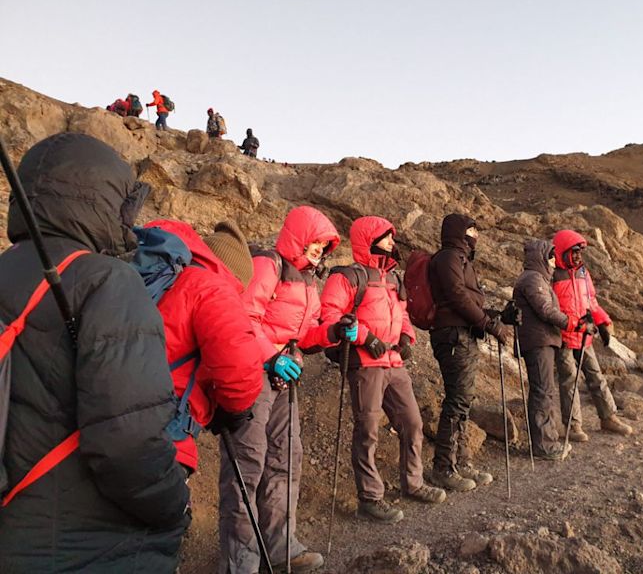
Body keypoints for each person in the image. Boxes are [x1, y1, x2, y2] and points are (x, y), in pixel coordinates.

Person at [0, 133, 189, 571]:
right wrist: (173, 501)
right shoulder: (107, 281)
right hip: (84, 543)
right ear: (100, 202)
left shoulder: (6, 268)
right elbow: (128, 442)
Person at [218, 206, 345, 573]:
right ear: (298, 235)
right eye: (316, 240)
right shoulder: (267, 264)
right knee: (247, 464)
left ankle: (279, 544)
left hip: (284, 375)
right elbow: (244, 317)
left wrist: (332, 333)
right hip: (253, 374)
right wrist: (270, 357)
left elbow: (303, 337)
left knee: (286, 458)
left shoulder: (307, 281)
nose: (320, 248)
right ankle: (240, 561)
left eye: (325, 244)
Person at [320, 216, 446, 525]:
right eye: (386, 237)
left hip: (394, 363)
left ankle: (413, 483)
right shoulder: (348, 277)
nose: (392, 242)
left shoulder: (393, 279)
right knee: (368, 431)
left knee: (413, 423)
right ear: (369, 239)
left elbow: (401, 313)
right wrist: (366, 338)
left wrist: (407, 337)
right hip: (365, 364)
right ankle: (370, 499)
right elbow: (330, 315)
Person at [140, 218, 265, 475]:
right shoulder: (213, 289)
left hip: (106, 409)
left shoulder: (167, 275)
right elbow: (239, 365)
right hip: (162, 429)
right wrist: (235, 411)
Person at [428, 213, 512, 492]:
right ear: (459, 232)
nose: (476, 235)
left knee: (463, 400)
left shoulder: (459, 259)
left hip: (461, 334)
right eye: (472, 229)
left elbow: (466, 300)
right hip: (452, 336)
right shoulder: (448, 258)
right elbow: (456, 296)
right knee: (457, 400)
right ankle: (443, 467)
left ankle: (461, 462)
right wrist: (488, 324)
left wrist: (496, 317)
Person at [552, 229, 633, 440]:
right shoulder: (552, 275)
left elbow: (591, 301)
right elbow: (549, 308)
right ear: (562, 251)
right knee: (569, 381)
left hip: (585, 336)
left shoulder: (583, 273)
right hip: (564, 337)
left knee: (596, 376)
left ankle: (608, 417)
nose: (578, 255)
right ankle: (573, 426)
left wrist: (603, 322)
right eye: (573, 251)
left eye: (580, 251)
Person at [513, 239, 589, 460]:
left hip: (542, 340)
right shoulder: (533, 279)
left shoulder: (538, 278)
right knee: (542, 391)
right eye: (551, 257)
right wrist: (573, 323)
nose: (555, 262)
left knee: (544, 390)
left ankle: (547, 439)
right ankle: (544, 445)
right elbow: (546, 310)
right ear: (542, 257)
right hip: (538, 342)